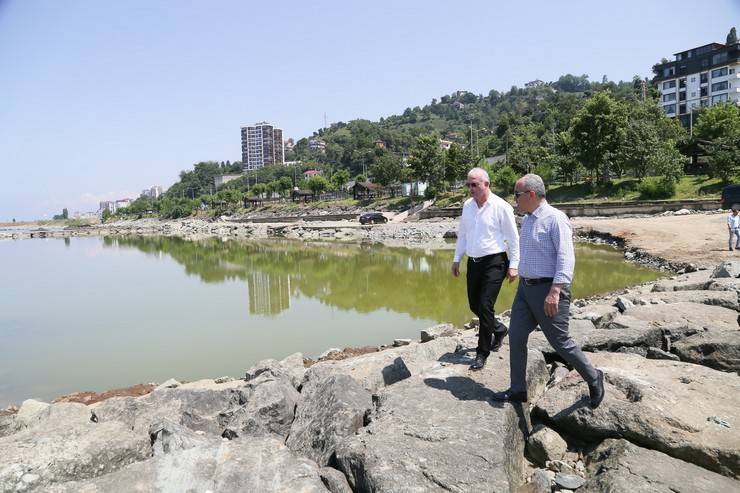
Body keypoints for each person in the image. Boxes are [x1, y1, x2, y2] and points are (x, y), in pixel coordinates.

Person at [491, 174, 604, 409]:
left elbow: (566, 258)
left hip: (549, 290)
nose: (515, 201)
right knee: (516, 336)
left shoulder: (555, 219)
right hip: (525, 289)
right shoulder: (530, 219)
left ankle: (594, 377)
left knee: (560, 341)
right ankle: (518, 389)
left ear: (531, 195)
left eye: (517, 195)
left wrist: (555, 291)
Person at [452, 167, 520, 370]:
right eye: (469, 185)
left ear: (486, 184)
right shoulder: (467, 206)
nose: (471, 188)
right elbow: (462, 234)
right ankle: (499, 330)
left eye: (475, 184)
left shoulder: (501, 207)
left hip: (495, 261)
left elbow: (513, 239)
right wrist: (457, 258)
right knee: (475, 305)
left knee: (485, 305)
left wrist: (514, 265)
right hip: (473, 262)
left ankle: (482, 353)